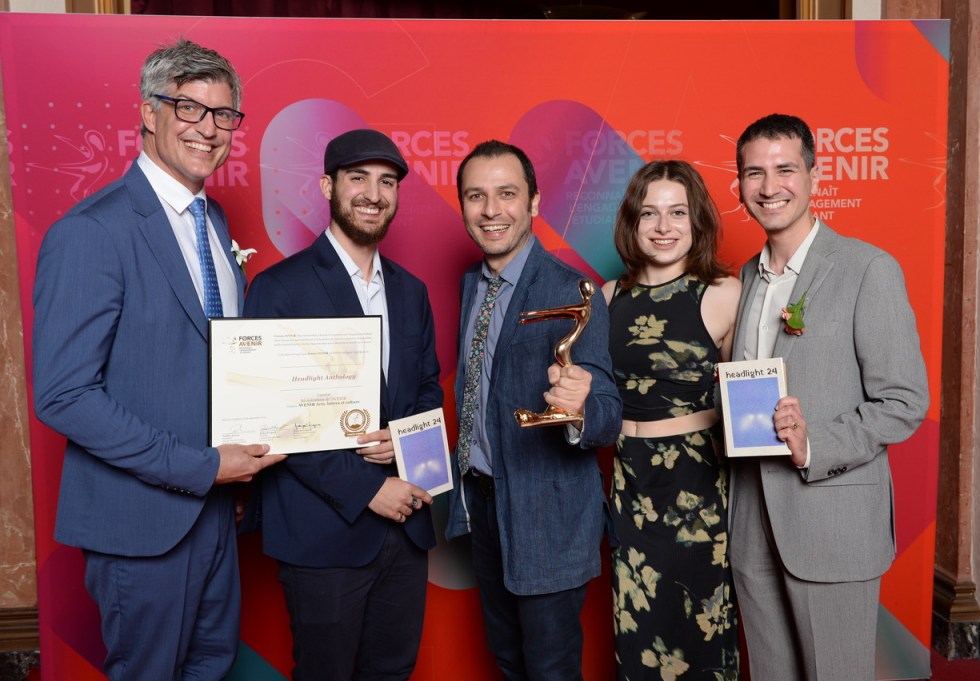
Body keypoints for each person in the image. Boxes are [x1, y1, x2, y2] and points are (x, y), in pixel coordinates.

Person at [32, 39, 285, 681]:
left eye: (223, 114)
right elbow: (64, 395)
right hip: (140, 525)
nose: (208, 129)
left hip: (216, 514)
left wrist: (232, 475)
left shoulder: (213, 221)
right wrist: (201, 468)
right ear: (149, 113)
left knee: (211, 667)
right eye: (188, 108)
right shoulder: (92, 231)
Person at [729, 113, 929, 681]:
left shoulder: (868, 269)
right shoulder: (743, 278)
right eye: (754, 173)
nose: (770, 187)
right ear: (739, 185)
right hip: (752, 521)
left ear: (815, 177)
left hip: (831, 521)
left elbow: (904, 400)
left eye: (785, 169)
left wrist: (814, 442)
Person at [244, 129, 443, 681]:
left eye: (387, 182)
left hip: (406, 528)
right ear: (328, 187)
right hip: (323, 531)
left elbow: (428, 388)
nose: (374, 195)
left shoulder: (411, 291)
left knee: (393, 671)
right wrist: (367, 489)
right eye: (359, 179)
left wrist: (404, 440)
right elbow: (272, 412)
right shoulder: (279, 288)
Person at [445, 140, 622, 681]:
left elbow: (607, 412)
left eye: (507, 194)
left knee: (549, 669)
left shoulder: (572, 288)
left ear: (534, 202)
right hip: (483, 505)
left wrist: (580, 407)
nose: (491, 210)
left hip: (548, 514)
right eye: (476, 196)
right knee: (508, 661)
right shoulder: (472, 285)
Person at [601, 160, 741, 680]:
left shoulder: (723, 294)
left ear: (696, 220)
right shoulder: (606, 297)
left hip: (696, 490)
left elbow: (745, 398)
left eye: (677, 212)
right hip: (629, 485)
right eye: (650, 213)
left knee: (699, 631)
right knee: (637, 628)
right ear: (632, 222)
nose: (663, 227)